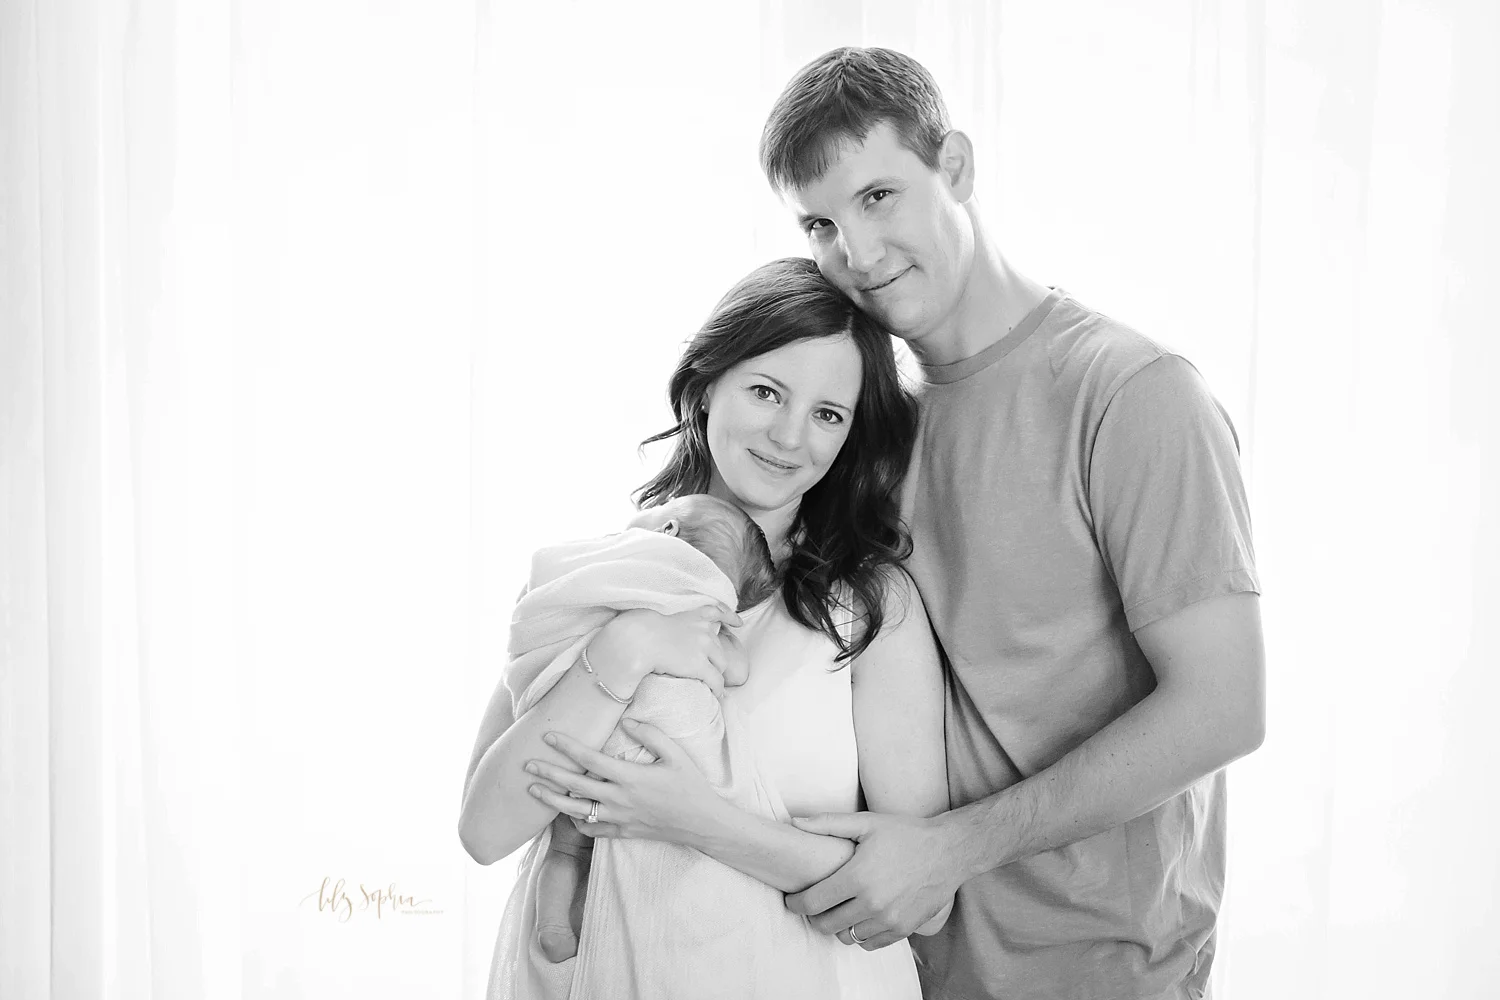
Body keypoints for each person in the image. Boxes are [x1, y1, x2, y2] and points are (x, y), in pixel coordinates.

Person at [732, 47, 1264, 1000]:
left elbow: (1224, 707)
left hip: (1103, 973)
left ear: (958, 169)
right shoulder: (864, 428)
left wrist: (949, 849)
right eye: (821, 223)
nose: (855, 252)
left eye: (880, 197)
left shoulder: (1132, 394)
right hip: (906, 967)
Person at [458, 257, 951, 999]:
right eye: (765, 391)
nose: (789, 437)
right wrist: (622, 650)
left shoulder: (869, 609)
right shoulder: (599, 576)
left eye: (827, 414)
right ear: (705, 383)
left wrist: (696, 819)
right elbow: (485, 831)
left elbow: (923, 900)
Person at [523, 494, 778, 963]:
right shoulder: (699, 619)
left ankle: (553, 922)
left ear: (667, 531)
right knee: (597, 848)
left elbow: (553, 618)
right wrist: (725, 630)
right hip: (651, 760)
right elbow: (736, 671)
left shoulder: (611, 578)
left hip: (588, 737)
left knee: (564, 848)